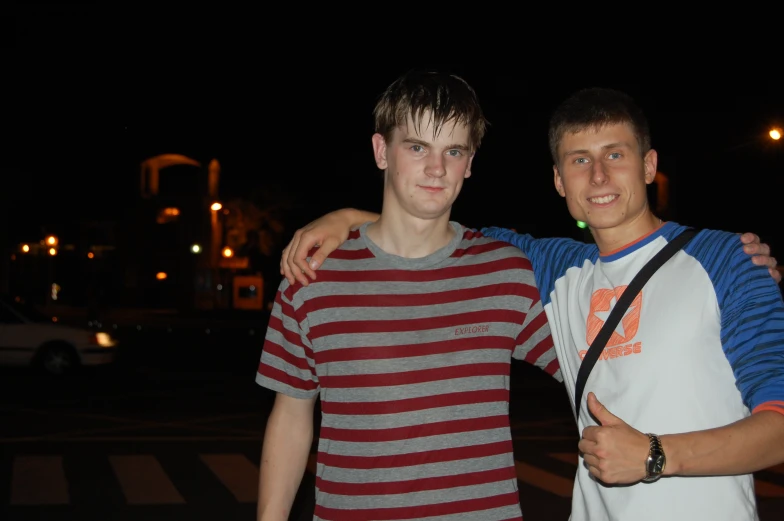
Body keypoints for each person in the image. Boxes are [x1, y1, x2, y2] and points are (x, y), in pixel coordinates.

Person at [278, 87, 784, 520]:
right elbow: (431, 227)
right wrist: (347, 217)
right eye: (579, 161)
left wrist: (657, 455)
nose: (599, 177)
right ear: (560, 181)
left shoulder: (726, 260)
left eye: (616, 154)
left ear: (649, 165)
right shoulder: (554, 269)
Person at [256, 70, 557, 521]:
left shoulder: (506, 272)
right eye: (417, 147)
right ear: (382, 151)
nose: (436, 169)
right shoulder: (311, 276)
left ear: (470, 163)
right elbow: (292, 417)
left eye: (453, 151)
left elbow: (590, 371)